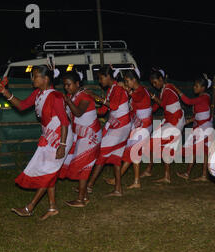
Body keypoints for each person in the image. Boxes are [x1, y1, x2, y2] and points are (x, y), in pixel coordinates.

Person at [0, 65, 73, 220]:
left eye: (35, 76)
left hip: (61, 137)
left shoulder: (56, 97)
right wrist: (4, 92)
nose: (32, 79)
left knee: (48, 172)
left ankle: (30, 207)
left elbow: (65, 123)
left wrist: (62, 145)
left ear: (46, 79)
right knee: (48, 171)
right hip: (49, 136)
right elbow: (22, 106)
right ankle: (52, 207)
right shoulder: (38, 94)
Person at [85, 66, 131, 197]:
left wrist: (95, 96)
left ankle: (89, 185)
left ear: (108, 77)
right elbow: (104, 111)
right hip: (119, 126)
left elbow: (114, 106)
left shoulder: (118, 89)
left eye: (101, 78)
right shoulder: (112, 90)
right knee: (116, 157)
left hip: (120, 126)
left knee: (102, 153)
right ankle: (118, 190)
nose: (100, 81)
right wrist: (88, 111)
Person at [59, 70, 102, 207]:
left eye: (69, 85)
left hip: (90, 135)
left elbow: (78, 113)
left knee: (83, 166)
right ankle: (85, 197)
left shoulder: (84, 96)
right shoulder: (74, 95)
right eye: (65, 85)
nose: (67, 88)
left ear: (77, 84)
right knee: (82, 165)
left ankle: (80, 200)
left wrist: (67, 101)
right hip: (83, 135)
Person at [106, 68, 153, 189]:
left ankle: (123, 179)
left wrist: (125, 88)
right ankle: (130, 180)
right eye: (125, 81)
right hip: (141, 125)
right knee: (132, 152)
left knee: (132, 152)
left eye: (127, 81)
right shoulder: (139, 90)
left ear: (134, 80)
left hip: (143, 126)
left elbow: (136, 98)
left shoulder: (141, 90)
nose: (127, 84)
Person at [140, 69, 185, 183]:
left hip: (175, 120)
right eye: (152, 84)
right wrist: (146, 110)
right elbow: (156, 106)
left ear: (161, 79)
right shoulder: (164, 90)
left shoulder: (168, 88)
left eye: (155, 82)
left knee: (154, 141)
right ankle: (164, 175)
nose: (154, 85)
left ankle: (152, 170)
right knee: (163, 145)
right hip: (171, 120)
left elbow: (163, 105)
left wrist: (154, 97)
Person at [171, 74, 214, 182]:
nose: (194, 87)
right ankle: (199, 174)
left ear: (203, 88)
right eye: (194, 85)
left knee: (196, 149)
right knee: (202, 151)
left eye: (197, 86)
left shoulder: (204, 97)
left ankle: (191, 173)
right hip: (203, 127)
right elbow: (198, 115)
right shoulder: (202, 98)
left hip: (204, 128)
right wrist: (188, 121)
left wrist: (176, 89)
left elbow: (188, 102)